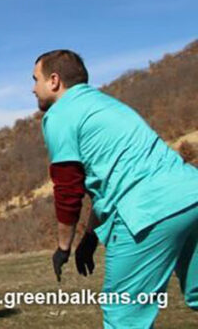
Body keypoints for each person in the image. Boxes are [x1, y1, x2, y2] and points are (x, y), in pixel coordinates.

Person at [32, 49, 198, 328]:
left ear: (54, 80)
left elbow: (68, 188)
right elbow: (107, 185)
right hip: (192, 193)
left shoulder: (60, 115)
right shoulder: (106, 106)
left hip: (148, 210)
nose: (32, 88)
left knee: (124, 314)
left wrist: (63, 246)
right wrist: (89, 237)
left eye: (35, 79)